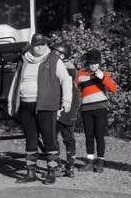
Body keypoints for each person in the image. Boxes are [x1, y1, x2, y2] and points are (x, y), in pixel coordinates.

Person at [7, 34, 72, 185]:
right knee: (31, 139)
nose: (40, 47)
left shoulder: (53, 59)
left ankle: (51, 172)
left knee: (49, 139)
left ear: (46, 45)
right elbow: (15, 82)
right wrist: (11, 102)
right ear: (32, 46)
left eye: (43, 44)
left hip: (46, 106)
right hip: (25, 105)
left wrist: (66, 101)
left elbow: (66, 81)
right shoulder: (24, 60)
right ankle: (30, 173)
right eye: (37, 45)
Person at [75, 49, 118, 172]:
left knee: (99, 135)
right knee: (89, 136)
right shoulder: (80, 74)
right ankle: (89, 162)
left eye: (96, 63)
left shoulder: (103, 74)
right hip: (86, 109)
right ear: (87, 63)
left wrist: (103, 78)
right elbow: (73, 89)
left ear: (99, 63)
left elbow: (113, 89)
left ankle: (100, 162)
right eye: (91, 63)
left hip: (100, 108)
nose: (94, 65)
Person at [53, 42, 81, 177]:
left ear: (62, 56)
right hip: (64, 107)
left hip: (66, 107)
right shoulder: (67, 68)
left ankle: (63, 167)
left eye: (55, 52)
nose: (52, 54)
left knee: (59, 137)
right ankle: (68, 167)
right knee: (65, 138)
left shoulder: (66, 69)